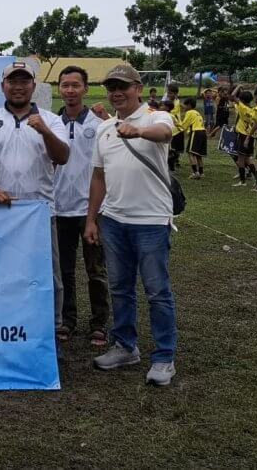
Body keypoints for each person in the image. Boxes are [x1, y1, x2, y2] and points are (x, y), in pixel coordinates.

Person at [85, 63, 178, 386]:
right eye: (111, 87)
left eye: (123, 86)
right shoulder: (104, 128)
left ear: (138, 88)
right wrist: (92, 219)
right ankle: (125, 346)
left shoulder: (156, 116)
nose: (117, 93)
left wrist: (137, 131)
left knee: (157, 291)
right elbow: (99, 177)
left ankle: (164, 357)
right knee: (120, 288)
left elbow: (165, 133)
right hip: (113, 220)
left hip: (151, 220)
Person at [0, 61, 70, 342]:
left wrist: (45, 132)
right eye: (12, 81)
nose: (18, 87)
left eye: (24, 81)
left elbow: (63, 156)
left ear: (33, 86)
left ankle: (50, 332)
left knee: (47, 275)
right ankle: (1, 329)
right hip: (0, 212)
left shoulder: (51, 120)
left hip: (39, 213)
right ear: (3, 86)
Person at [51, 66, 110, 347]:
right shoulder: (52, 124)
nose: (70, 90)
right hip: (59, 209)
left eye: (76, 85)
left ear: (86, 89)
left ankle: (99, 323)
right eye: (65, 85)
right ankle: (67, 320)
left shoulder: (99, 125)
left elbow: (104, 170)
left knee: (96, 270)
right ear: (59, 89)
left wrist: (95, 214)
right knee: (63, 271)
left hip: (91, 210)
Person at [231, 88, 256, 187]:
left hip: (242, 135)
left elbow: (232, 96)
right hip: (251, 135)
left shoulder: (242, 108)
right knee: (248, 159)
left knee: (241, 160)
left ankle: (242, 181)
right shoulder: (253, 110)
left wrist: (238, 86)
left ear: (241, 100)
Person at [179, 97, 207, 179]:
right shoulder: (197, 113)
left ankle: (195, 173)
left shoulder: (189, 112)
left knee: (191, 153)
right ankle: (201, 173)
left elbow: (184, 125)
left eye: (185, 105)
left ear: (189, 105)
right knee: (198, 154)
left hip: (196, 132)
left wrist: (176, 126)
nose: (184, 107)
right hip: (203, 132)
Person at [165, 84, 183, 173]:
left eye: (170, 93)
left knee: (173, 148)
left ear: (175, 94)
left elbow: (172, 112)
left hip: (176, 128)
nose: (168, 94)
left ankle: (173, 165)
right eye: (168, 92)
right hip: (172, 128)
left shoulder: (176, 103)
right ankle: (174, 162)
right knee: (171, 147)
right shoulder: (169, 101)